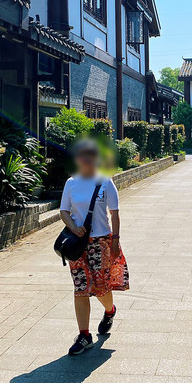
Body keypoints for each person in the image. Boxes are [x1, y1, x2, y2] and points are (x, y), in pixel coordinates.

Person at [59, 139, 129, 356]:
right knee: (80, 288)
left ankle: (109, 310)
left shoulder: (105, 182)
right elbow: (64, 211)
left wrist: (115, 240)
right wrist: (73, 227)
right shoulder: (71, 183)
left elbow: (114, 213)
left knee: (100, 288)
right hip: (77, 243)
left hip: (101, 242)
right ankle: (84, 335)